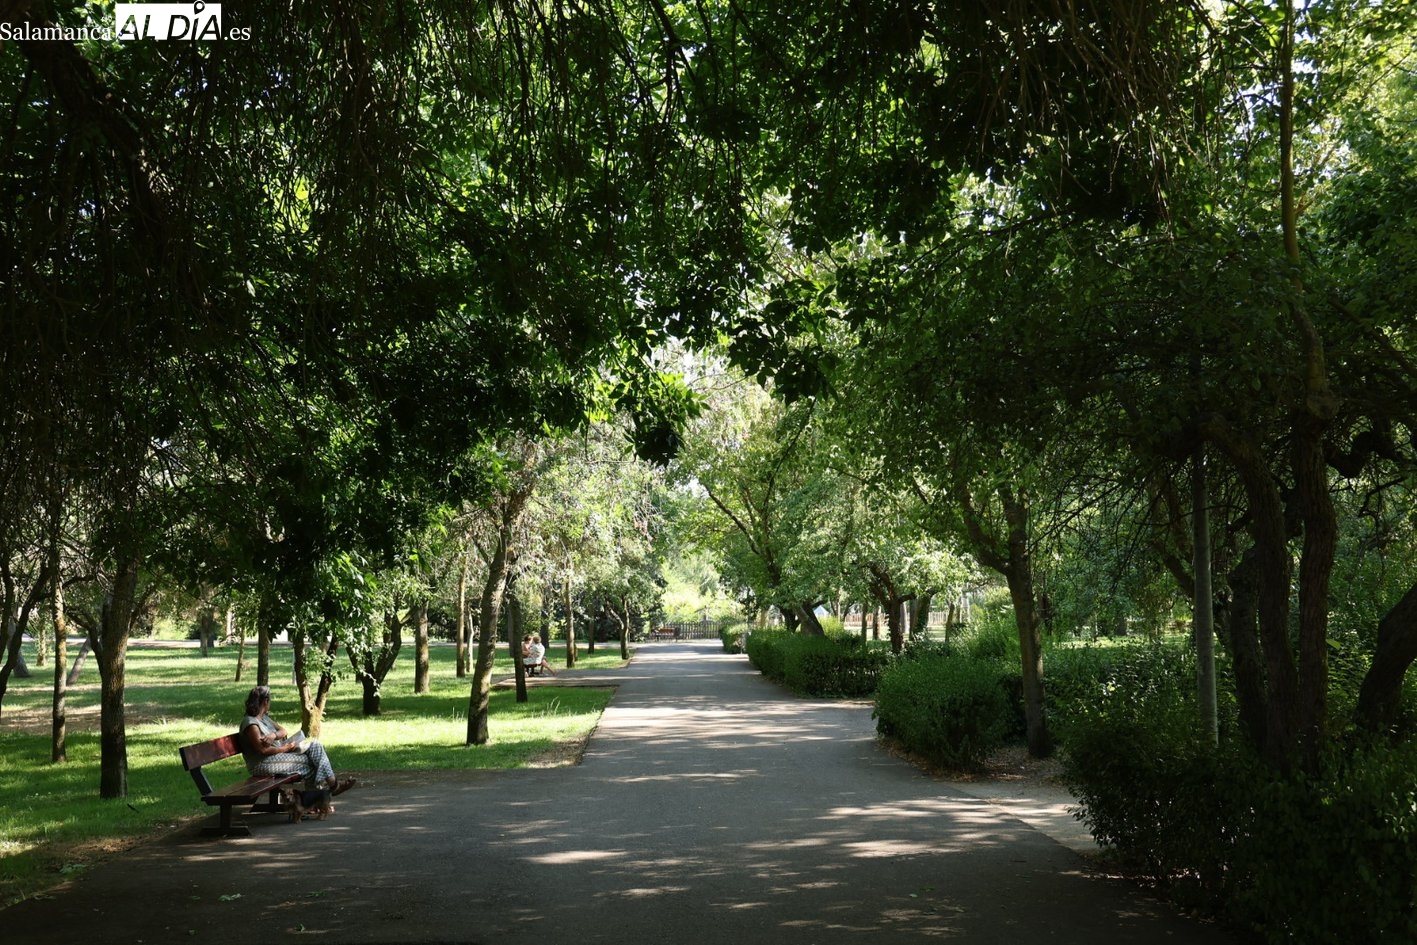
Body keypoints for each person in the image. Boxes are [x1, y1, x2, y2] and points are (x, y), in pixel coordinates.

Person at [240, 685, 355, 795]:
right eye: (269, 700)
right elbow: (262, 751)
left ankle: (323, 793)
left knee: (315, 745)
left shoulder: (264, 718)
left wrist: (273, 736)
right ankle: (322, 795)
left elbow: (283, 731)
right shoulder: (251, 723)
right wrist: (284, 749)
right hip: (261, 764)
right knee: (308, 762)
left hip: (276, 755)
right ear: (265, 701)